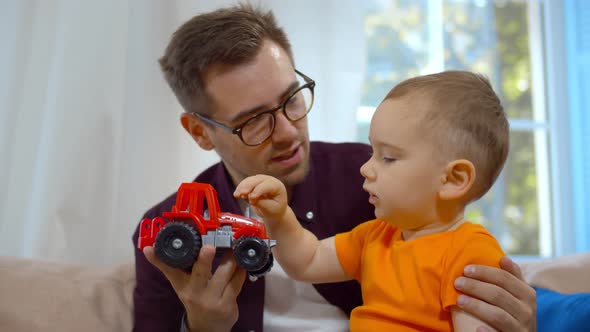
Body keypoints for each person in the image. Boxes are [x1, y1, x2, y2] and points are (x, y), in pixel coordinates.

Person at [132, 4, 536, 332]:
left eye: (292, 98)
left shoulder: (379, 183)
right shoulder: (163, 230)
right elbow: (305, 257)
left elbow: (452, 251)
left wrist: (511, 314)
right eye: (255, 119)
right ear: (200, 131)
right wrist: (205, 329)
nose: (289, 131)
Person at [235, 70, 511, 331]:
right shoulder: (376, 237)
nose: (366, 168)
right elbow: (307, 260)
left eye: (388, 157)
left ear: (453, 179)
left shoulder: (471, 254)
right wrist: (279, 216)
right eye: (372, 152)